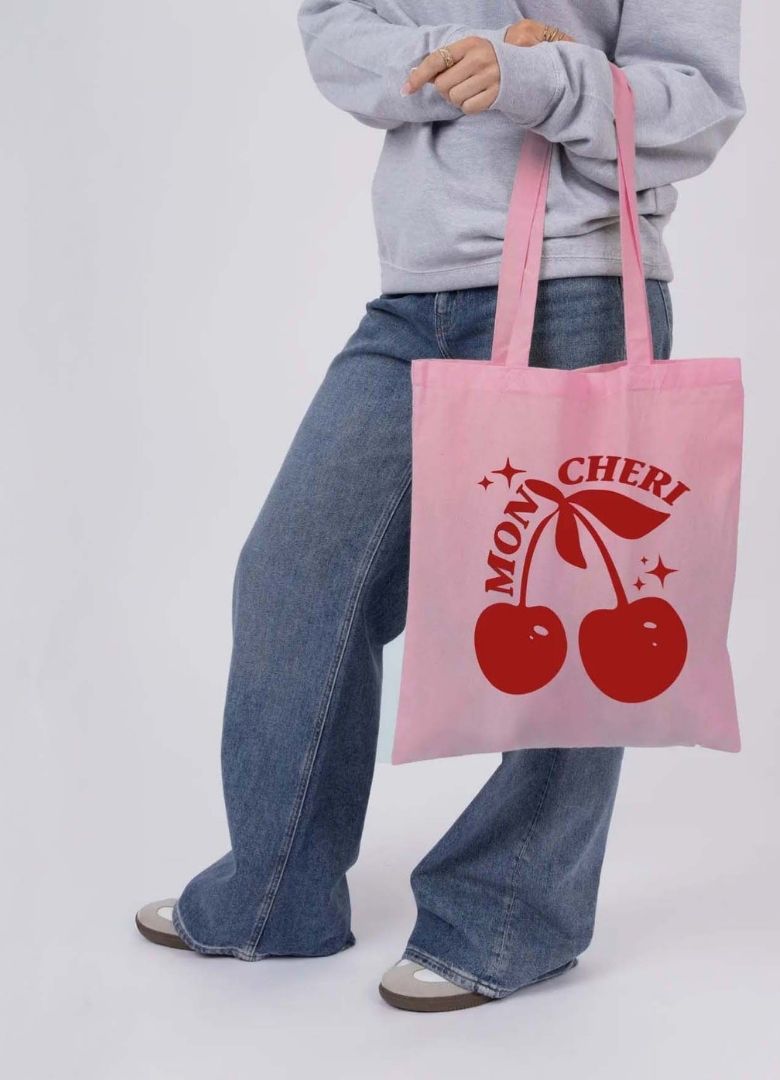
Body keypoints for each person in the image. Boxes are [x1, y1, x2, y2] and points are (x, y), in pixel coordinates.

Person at [136, 0, 744, 1013]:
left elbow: (700, 105)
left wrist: (544, 79)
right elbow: (335, 27)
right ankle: (277, 891)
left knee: (582, 630)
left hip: (577, 280)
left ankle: (505, 919)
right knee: (294, 571)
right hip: (419, 292)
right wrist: (456, 60)